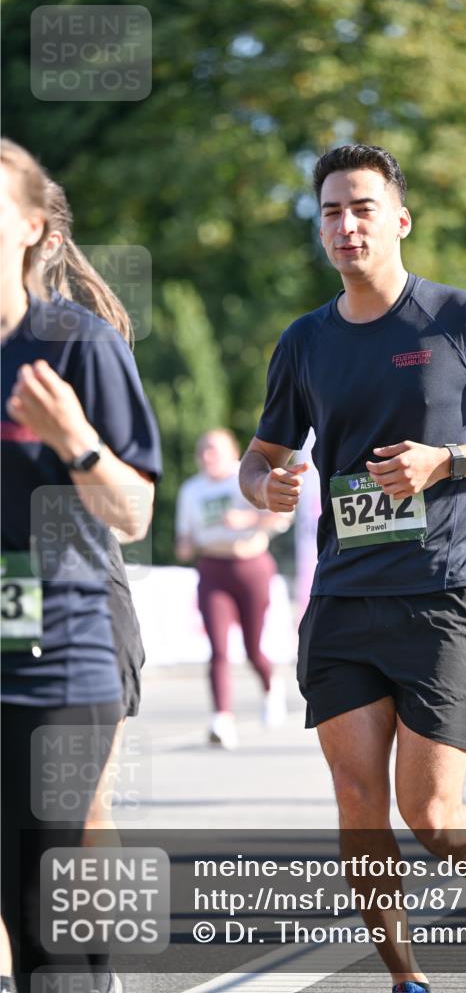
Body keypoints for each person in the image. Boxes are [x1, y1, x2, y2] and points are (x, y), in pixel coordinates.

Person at [239, 144, 466, 993]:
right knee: (358, 811)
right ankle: (406, 983)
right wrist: (263, 482)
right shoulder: (304, 340)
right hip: (342, 600)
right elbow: (260, 451)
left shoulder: (458, 317)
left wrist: (445, 463)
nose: (345, 225)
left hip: (441, 594)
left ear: (399, 220)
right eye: (331, 212)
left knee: (433, 814)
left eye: (361, 208)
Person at [0, 140, 161, 991]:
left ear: (36, 230)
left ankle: (89, 971)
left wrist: (78, 446)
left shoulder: (75, 344)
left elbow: (133, 513)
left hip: (75, 620)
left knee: (76, 822)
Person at [175, 428, 289, 749]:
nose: (208, 456)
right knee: (218, 649)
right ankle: (221, 718)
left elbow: (280, 517)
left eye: (215, 449)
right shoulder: (191, 490)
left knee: (253, 648)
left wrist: (248, 522)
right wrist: (184, 545)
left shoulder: (247, 476)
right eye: (203, 450)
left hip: (251, 565)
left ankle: (270, 687)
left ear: (232, 452)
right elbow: (185, 536)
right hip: (213, 569)